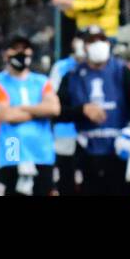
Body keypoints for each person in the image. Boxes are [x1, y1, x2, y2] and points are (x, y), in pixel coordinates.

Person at [55, 26, 130, 196]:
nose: (97, 44)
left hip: (118, 152)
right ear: (84, 46)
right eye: (92, 41)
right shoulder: (72, 76)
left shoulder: (124, 70)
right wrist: (82, 110)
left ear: (108, 42)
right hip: (86, 154)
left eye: (101, 39)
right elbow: (57, 113)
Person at [0, 34, 61, 196]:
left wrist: (21, 108)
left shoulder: (42, 81)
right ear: (7, 54)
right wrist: (39, 111)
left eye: (24, 49)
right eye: (16, 49)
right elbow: (6, 115)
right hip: (12, 148)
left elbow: (54, 109)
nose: (21, 54)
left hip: (41, 150)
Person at [48, 33, 85, 196]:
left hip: (89, 137)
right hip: (64, 134)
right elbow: (52, 100)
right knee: (66, 178)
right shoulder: (61, 67)